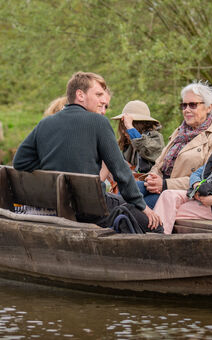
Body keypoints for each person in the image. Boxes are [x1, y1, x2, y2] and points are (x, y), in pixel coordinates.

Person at [12, 72, 162, 232]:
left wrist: (55, 162)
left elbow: (20, 162)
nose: (103, 100)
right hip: (90, 210)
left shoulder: (45, 123)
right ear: (80, 95)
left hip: (55, 204)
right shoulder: (99, 122)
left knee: (119, 200)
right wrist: (142, 207)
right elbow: (120, 171)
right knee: (155, 225)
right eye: (98, 95)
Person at [137, 81, 212, 209]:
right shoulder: (180, 131)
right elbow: (159, 163)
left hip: (183, 193)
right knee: (129, 190)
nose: (186, 110)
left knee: (139, 207)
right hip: (161, 186)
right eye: (184, 105)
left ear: (209, 107)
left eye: (192, 105)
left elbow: (207, 178)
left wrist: (165, 184)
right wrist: (152, 178)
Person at [111, 100, 165, 176]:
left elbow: (144, 147)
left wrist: (130, 127)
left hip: (150, 183)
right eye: (123, 125)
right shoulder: (128, 143)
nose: (123, 131)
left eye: (126, 126)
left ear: (139, 125)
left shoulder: (156, 138)